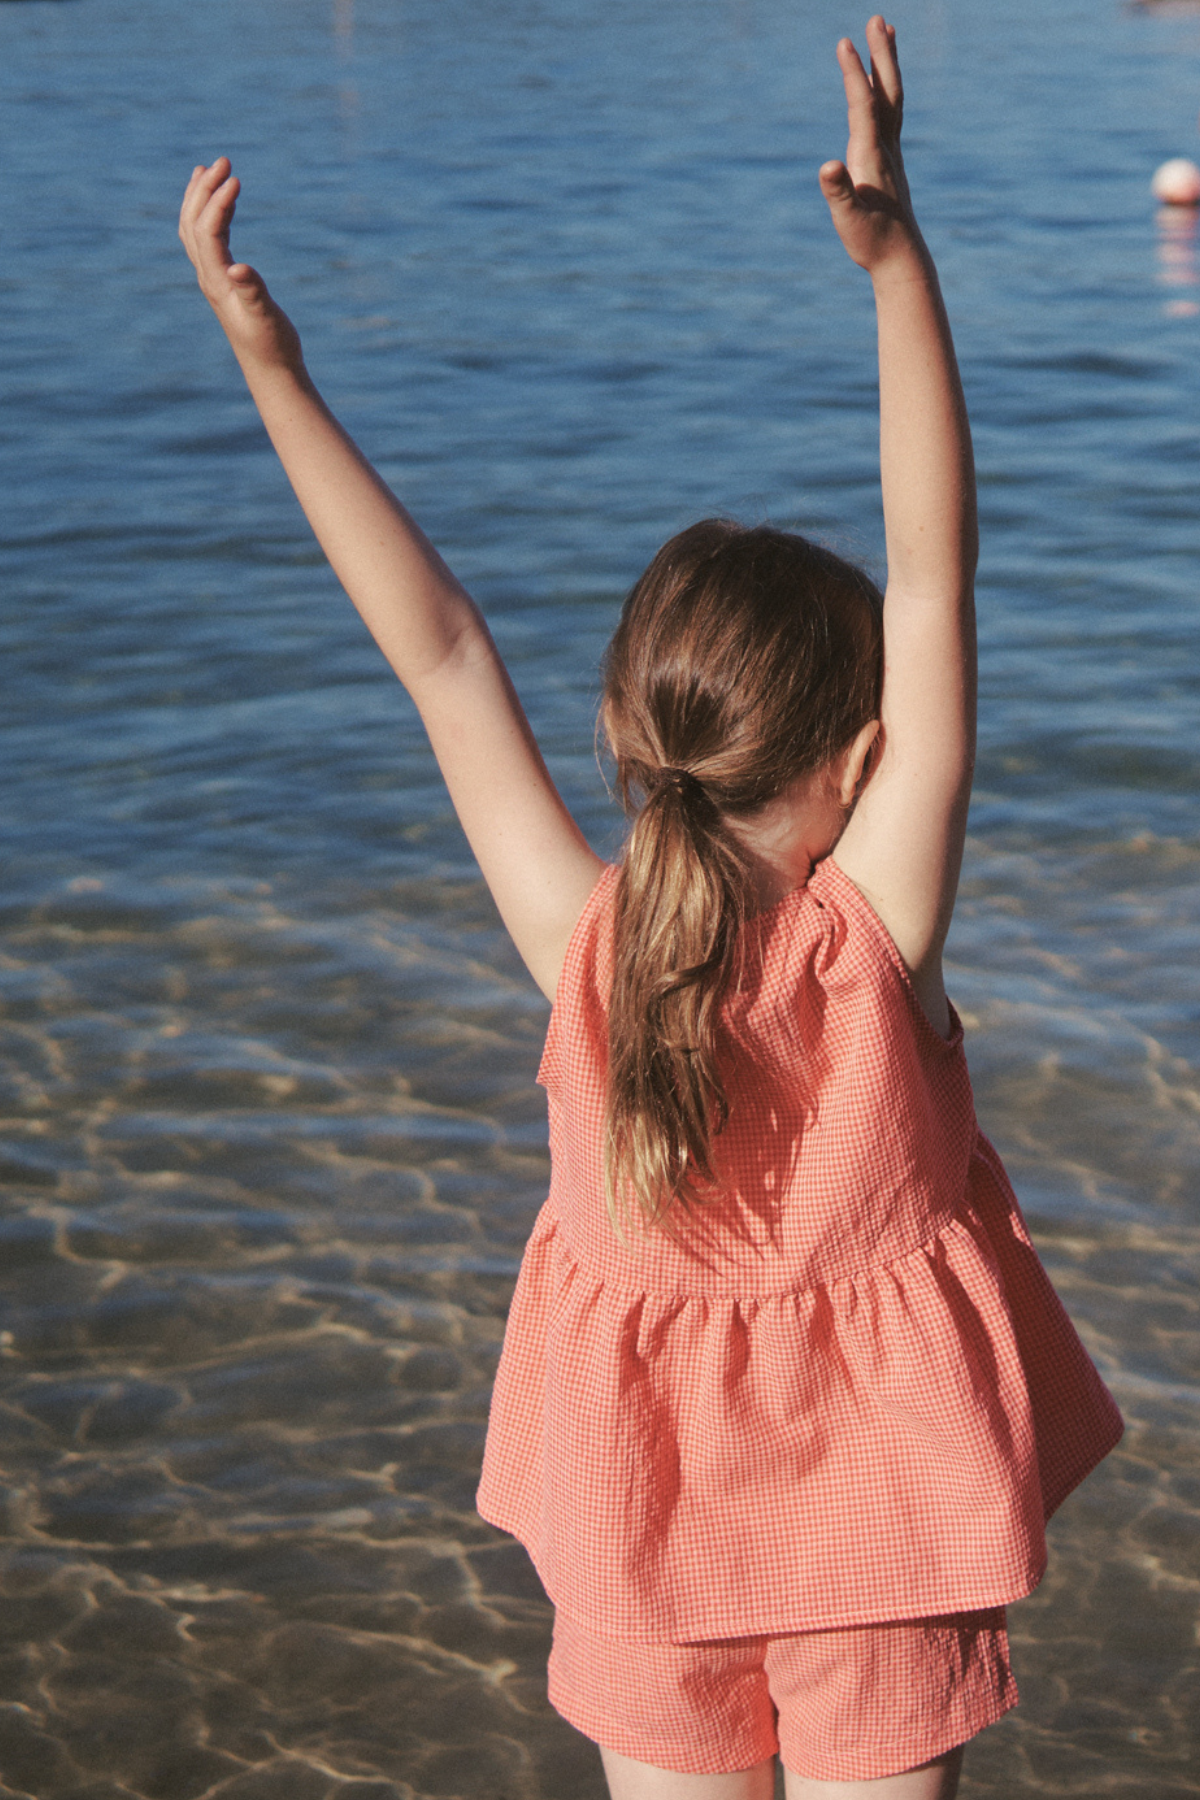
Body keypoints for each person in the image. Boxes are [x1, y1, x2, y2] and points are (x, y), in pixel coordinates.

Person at [179, 19, 1122, 1798]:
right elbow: (940, 564)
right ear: (859, 757)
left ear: (641, 740)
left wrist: (273, 374)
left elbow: (445, 657)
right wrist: (896, 257)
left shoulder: (582, 940)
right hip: (880, 1518)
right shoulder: (879, 930)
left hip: (642, 1519)